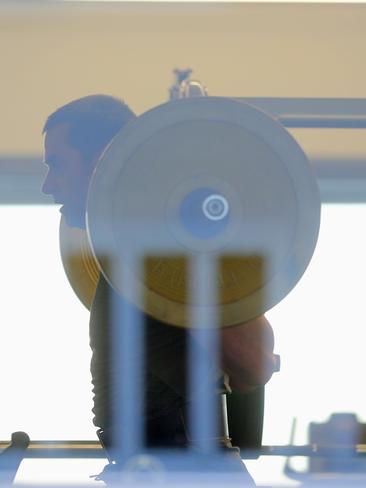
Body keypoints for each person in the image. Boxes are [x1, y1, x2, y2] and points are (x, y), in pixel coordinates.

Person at [42, 94, 278, 485]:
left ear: (102, 158)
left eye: (57, 166)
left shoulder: (162, 242)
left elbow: (252, 363)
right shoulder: (136, 248)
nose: (48, 185)